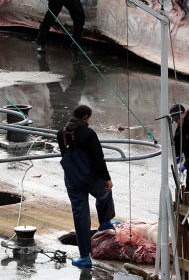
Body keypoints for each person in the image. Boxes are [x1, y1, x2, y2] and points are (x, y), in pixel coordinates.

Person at [57, 104, 119, 268]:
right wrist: (107, 178)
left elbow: (64, 154)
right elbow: (99, 159)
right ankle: (105, 221)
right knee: (105, 192)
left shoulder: (61, 133)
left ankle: (84, 256)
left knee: (80, 215)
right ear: (85, 117)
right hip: (89, 175)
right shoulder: (88, 133)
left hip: (72, 178)